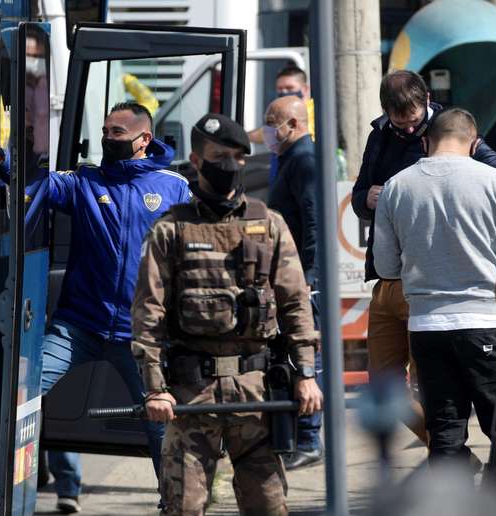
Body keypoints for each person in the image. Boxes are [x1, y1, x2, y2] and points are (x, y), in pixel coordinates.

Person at [0, 102, 190, 513]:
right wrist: (3, 160)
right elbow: (39, 182)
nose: (107, 138)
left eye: (117, 132)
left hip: (139, 334)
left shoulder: (172, 187)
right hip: (78, 325)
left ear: (143, 140)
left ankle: (176, 504)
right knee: (20, 392)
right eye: (105, 130)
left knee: (160, 422)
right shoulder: (85, 181)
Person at [132, 113, 322, 515]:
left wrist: (306, 374)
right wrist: (154, 387)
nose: (230, 166)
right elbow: (148, 314)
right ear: (197, 161)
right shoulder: (171, 230)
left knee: (268, 505)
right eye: (219, 156)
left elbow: (294, 303)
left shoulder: (269, 225)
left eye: (238, 157)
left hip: (256, 392)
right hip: (189, 395)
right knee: (182, 507)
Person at [351, 70, 496, 445]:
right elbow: (360, 196)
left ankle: (477, 482)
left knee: (461, 410)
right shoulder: (379, 138)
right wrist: (368, 199)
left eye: (413, 125)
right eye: (399, 124)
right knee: (389, 389)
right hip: (391, 282)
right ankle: (460, 472)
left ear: (426, 104)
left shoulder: (450, 129)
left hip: (431, 286)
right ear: (385, 112)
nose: (408, 132)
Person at [263, 95, 323, 470]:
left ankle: (309, 438)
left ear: (294, 125)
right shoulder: (288, 158)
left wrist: (311, 280)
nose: (268, 129)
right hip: (288, 278)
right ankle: (295, 437)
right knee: (291, 355)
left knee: (305, 357)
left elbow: (315, 222)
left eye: (273, 122)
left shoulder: (304, 160)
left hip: (302, 281)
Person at [249, 66, 315, 186]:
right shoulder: (283, 112)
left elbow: (269, 134)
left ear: (305, 89)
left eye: (289, 87)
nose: (284, 92)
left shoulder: (313, 113)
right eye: (280, 88)